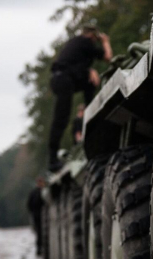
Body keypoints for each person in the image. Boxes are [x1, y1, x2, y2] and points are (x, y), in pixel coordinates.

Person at [48, 26, 112, 171]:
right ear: (92, 36)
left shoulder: (76, 43)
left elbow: (75, 66)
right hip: (64, 80)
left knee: (89, 83)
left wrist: (88, 71)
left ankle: (89, 115)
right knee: (61, 119)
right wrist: (105, 41)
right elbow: (108, 57)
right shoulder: (86, 42)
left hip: (63, 78)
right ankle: (52, 161)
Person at [27, 176, 46, 256]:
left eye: (41, 182)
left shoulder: (43, 191)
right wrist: (32, 212)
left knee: (41, 232)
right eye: (39, 182)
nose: (40, 183)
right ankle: (39, 248)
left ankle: (41, 248)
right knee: (39, 232)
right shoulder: (35, 192)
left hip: (42, 214)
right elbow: (29, 204)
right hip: (37, 215)